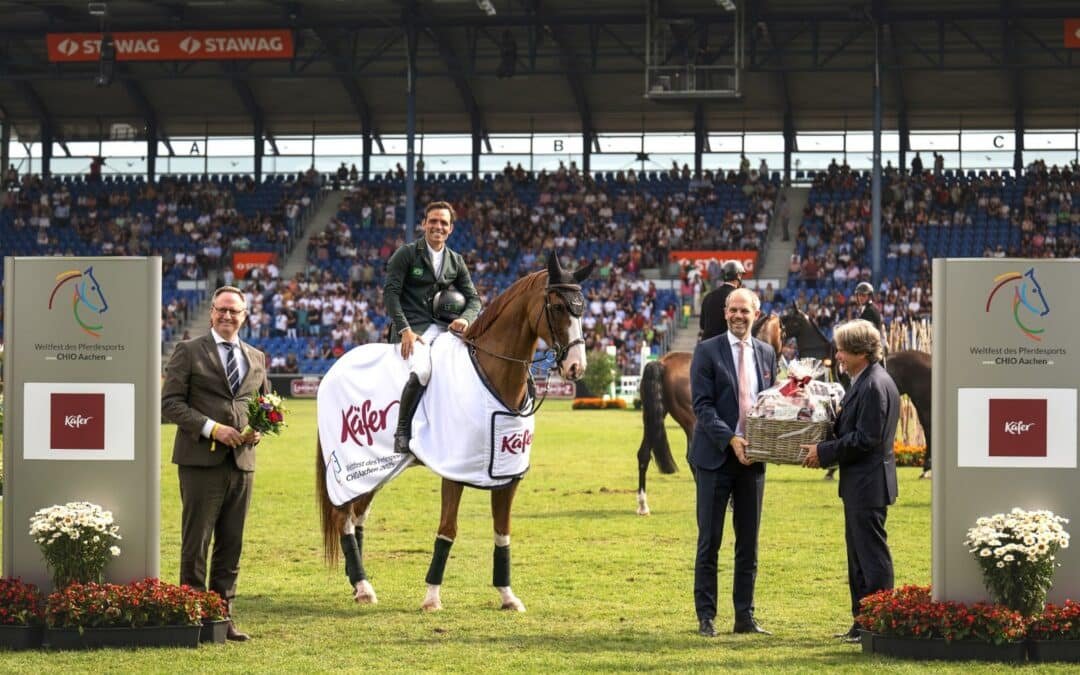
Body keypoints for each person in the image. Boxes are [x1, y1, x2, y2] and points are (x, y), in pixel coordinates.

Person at [161, 286, 269, 642]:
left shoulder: (257, 357)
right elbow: (170, 404)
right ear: (211, 312)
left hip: (242, 464)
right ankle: (190, 618)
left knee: (231, 545)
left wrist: (259, 432)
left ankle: (221, 620)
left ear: (245, 316)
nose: (227, 316)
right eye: (221, 310)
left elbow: (267, 408)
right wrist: (212, 429)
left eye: (234, 311)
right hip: (199, 463)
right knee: (197, 543)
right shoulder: (188, 351)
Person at [799, 319, 899, 643]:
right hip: (861, 484)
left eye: (842, 349)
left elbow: (865, 438)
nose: (838, 355)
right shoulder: (866, 380)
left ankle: (878, 625)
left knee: (871, 559)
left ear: (860, 351)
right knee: (858, 559)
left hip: (868, 484)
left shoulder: (873, 385)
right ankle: (862, 624)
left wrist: (824, 452)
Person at [689, 288, 777, 638]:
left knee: (749, 543)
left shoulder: (768, 353)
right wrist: (730, 438)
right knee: (710, 540)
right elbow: (702, 406)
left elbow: (771, 404)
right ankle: (706, 616)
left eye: (745, 310)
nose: (738, 316)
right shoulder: (707, 351)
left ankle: (745, 616)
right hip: (715, 458)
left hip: (753, 461)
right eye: (733, 310)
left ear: (757, 313)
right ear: (725, 313)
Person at [385, 200, 482, 454]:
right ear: (424, 224)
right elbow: (391, 294)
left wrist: (466, 319)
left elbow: (474, 299)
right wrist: (404, 328)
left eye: (444, 223)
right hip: (413, 330)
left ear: (450, 229)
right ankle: (402, 432)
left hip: (444, 330)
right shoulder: (406, 254)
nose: (438, 226)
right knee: (424, 371)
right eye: (434, 221)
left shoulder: (456, 261)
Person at [698, 260, 745, 341]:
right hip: (725, 346)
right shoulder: (739, 297)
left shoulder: (709, 296)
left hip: (706, 346)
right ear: (738, 275)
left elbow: (702, 325)